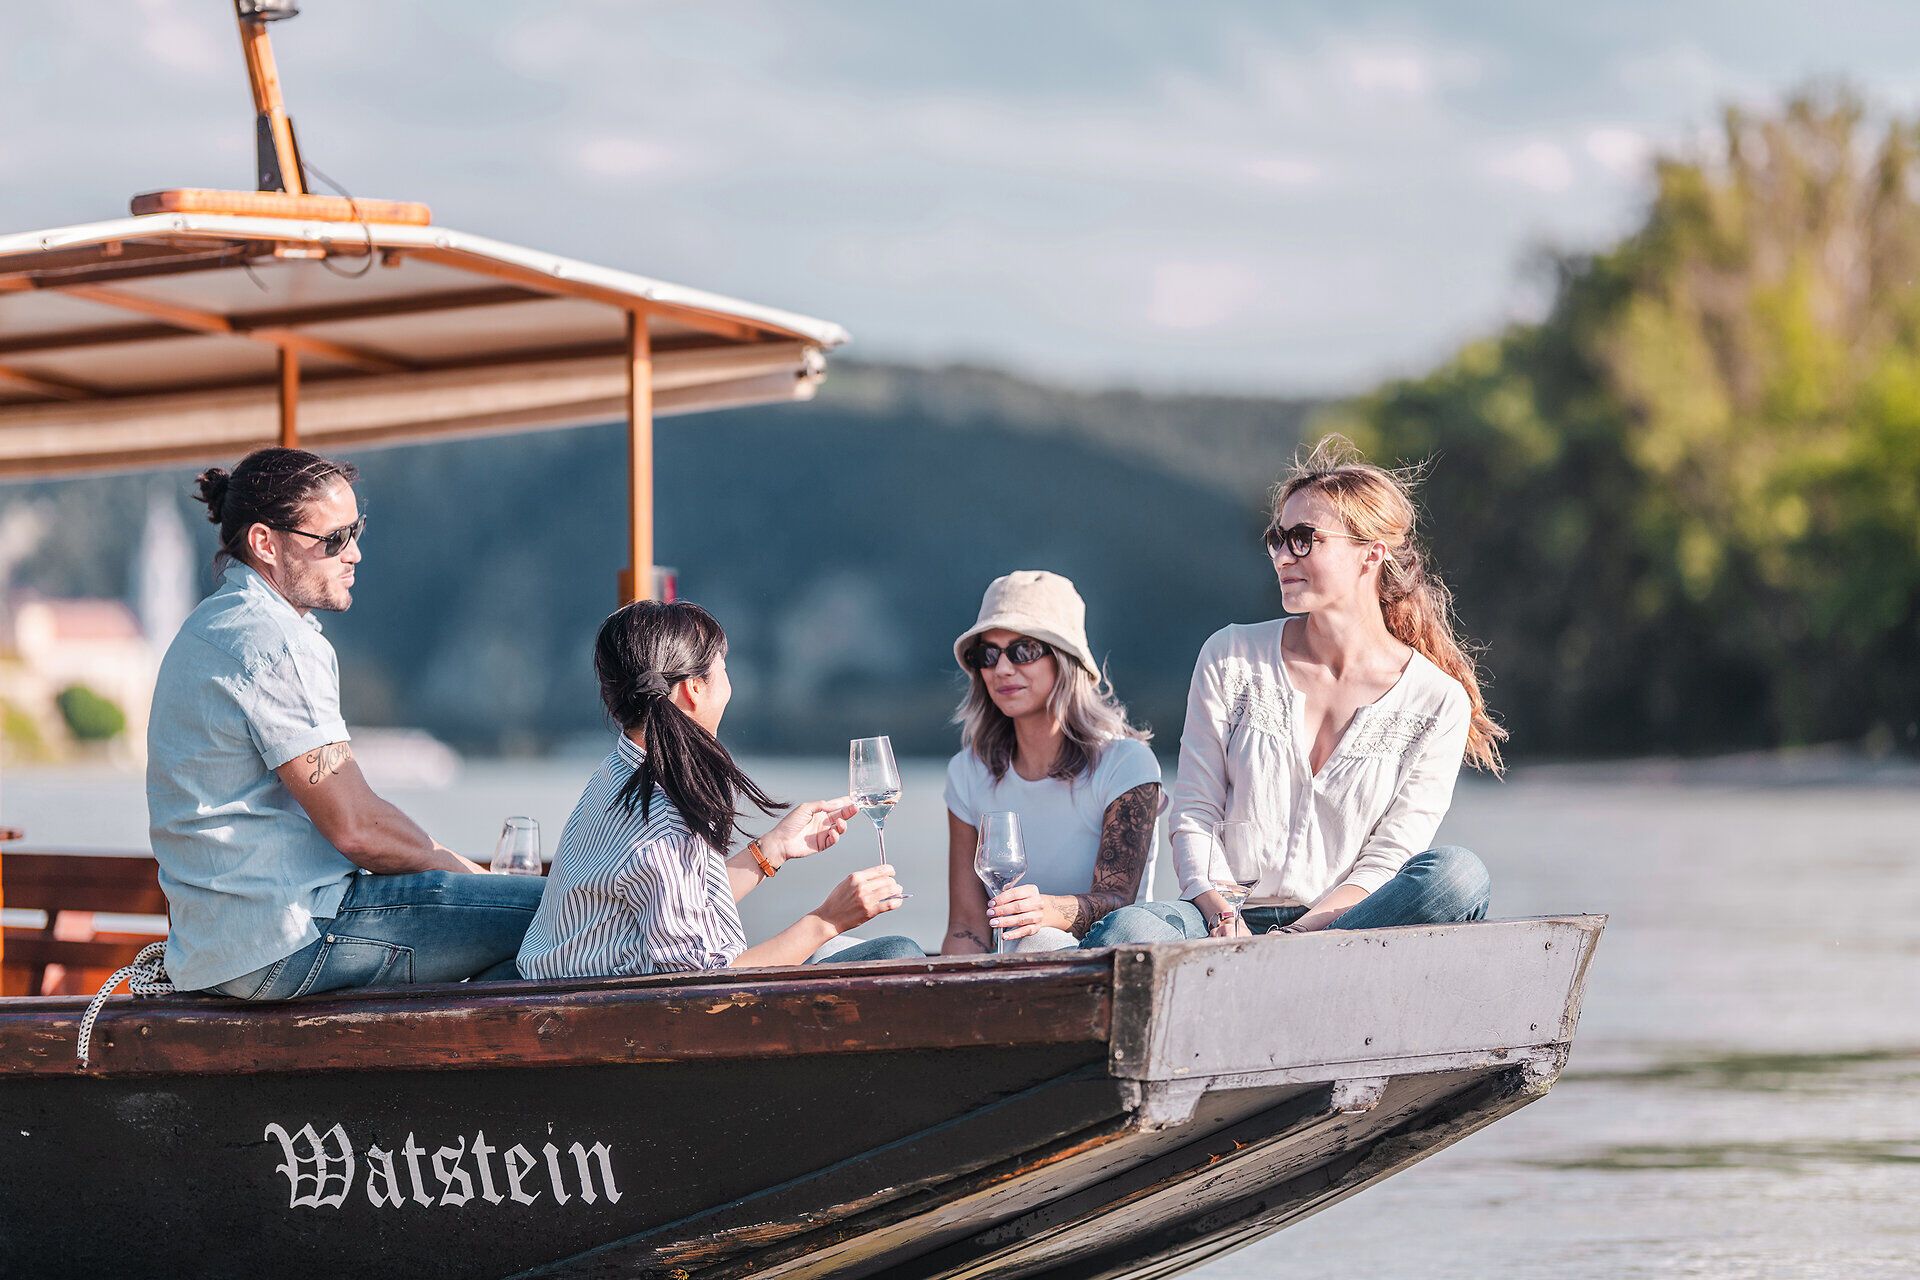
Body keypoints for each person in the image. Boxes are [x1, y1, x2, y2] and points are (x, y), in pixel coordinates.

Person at [148, 446, 542, 1000]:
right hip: (292, 940)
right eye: (333, 540)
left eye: (356, 530)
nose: (354, 553)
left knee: (521, 947)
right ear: (265, 542)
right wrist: (466, 877)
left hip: (218, 952)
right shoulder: (273, 641)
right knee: (560, 915)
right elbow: (356, 827)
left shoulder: (207, 628)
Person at [1082, 437, 1504, 947]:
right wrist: (1219, 915)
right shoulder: (1231, 655)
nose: (1283, 556)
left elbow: (1390, 856)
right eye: (1276, 539)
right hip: (1221, 918)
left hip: (1343, 930)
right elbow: (1195, 813)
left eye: (1304, 538)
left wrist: (1295, 936)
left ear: (1370, 553)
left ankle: (1292, 967)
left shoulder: (1438, 700)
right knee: (1130, 927)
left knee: (1459, 875)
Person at [518, 600, 922, 979]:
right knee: (898, 954)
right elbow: (706, 989)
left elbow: (676, 905)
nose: (729, 682)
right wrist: (829, 919)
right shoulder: (666, 821)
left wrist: (772, 850)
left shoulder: (618, 772)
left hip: (577, 1006)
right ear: (694, 688)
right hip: (635, 1032)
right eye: (723, 667)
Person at [940, 571, 1160, 955]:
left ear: (1065, 661)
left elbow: (1118, 901)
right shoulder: (966, 773)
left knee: (1038, 938)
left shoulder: (1127, 763)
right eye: (987, 655)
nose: (1002, 669)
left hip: (1111, 968)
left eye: (1023, 650)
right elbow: (966, 928)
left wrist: (1044, 911)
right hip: (1012, 981)